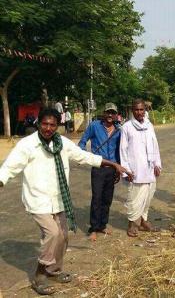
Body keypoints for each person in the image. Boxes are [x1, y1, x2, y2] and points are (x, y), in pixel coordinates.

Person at [0, 108, 131, 296]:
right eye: (44, 124)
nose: (48, 128)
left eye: (52, 125)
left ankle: (54, 271)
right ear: (38, 123)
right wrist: (1, 180)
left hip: (59, 198)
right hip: (38, 199)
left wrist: (113, 164)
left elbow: (85, 156)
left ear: (57, 126)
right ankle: (39, 275)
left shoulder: (63, 143)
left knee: (62, 235)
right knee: (52, 233)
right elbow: (10, 166)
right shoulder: (27, 145)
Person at [78, 103, 121, 241]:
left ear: (116, 115)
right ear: (103, 113)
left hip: (112, 169)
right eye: (107, 112)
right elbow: (82, 142)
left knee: (107, 199)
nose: (110, 115)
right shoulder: (94, 126)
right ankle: (93, 228)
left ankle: (103, 225)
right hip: (98, 168)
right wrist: (85, 156)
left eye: (112, 113)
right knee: (96, 198)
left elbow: (119, 151)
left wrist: (118, 169)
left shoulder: (119, 130)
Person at [120, 99, 162, 237]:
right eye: (136, 109)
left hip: (150, 169)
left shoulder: (149, 125)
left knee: (148, 196)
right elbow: (123, 150)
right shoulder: (127, 127)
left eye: (141, 109)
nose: (139, 112)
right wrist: (126, 170)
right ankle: (132, 224)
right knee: (134, 198)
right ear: (132, 110)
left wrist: (157, 164)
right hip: (136, 169)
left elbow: (155, 145)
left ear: (145, 110)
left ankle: (143, 221)